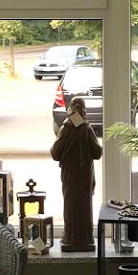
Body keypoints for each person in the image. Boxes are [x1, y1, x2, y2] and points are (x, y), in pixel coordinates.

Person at [51, 97, 102, 251]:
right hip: (84, 176)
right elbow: (97, 152)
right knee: (84, 206)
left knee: (71, 205)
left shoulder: (65, 129)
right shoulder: (86, 129)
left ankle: (71, 239)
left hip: (70, 176)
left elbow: (55, 153)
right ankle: (85, 239)